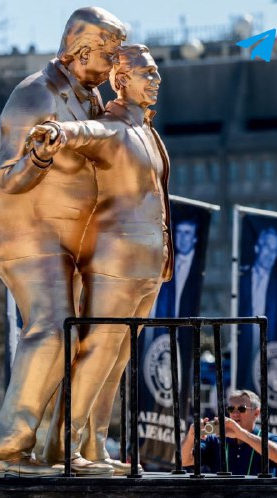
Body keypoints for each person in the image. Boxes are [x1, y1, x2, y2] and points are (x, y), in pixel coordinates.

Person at [0, 7, 126, 478]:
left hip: (72, 239)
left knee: (84, 336)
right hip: (26, 231)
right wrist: (39, 157)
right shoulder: (35, 93)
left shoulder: (92, 99)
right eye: (109, 54)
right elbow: (6, 177)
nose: (115, 65)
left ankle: (54, 448)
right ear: (82, 51)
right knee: (53, 326)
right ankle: (5, 448)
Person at [31, 44, 172, 475]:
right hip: (116, 259)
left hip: (150, 262)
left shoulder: (148, 131)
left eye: (156, 74)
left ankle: (93, 445)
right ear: (122, 80)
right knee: (98, 350)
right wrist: (57, 132)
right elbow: (84, 133)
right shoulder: (113, 128)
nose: (156, 81)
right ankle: (64, 447)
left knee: (119, 358)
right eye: (148, 73)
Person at [180, 389, 277, 475]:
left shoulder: (270, 438)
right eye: (231, 409)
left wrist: (240, 433)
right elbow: (184, 460)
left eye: (241, 409)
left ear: (256, 413)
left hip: (256, 495)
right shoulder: (215, 439)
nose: (235, 414)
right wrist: (191, 436)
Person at [237, 226, 277, 389]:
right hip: (241, 349)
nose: (270, 254)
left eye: (274, 250)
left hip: (267, 352)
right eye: (267, 247)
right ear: (257, 247)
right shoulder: (241, 277)